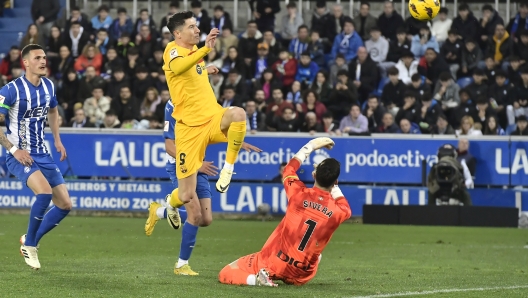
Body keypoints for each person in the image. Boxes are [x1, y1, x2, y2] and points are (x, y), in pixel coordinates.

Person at [144, 99, 261, 275]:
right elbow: (169, 146)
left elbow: (214, 128)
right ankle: (181, 265)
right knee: (195, 214)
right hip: (182, 166)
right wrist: (196, 165)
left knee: (206, 219)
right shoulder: (174, 105)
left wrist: (237, 141)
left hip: (199, 163)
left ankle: (162, 210)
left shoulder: (200, 99)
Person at [218, 137, 351, 287]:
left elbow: (289, 169)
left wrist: (310, 146)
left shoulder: (298, 194)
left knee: (226, 273)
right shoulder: (340, 211)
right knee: (315, 250)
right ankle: (307, 261)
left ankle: (257, 280)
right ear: (336, 182)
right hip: (302, 274)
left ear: (314, 175)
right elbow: (345, 206)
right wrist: (333, 186)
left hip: (275, 262)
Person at [0, 44, 71, 270]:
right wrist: (14, 150)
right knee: (44, 193)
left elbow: (52, 110)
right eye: (38, 58)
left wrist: (58, 140)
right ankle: (30, 245)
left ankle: (29, 239)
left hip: (42, 152)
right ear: (26, 63)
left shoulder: (49, 86)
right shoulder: (11, 90)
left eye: (44, 57)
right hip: (19, 155)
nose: (43, 61)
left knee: (65, 205)